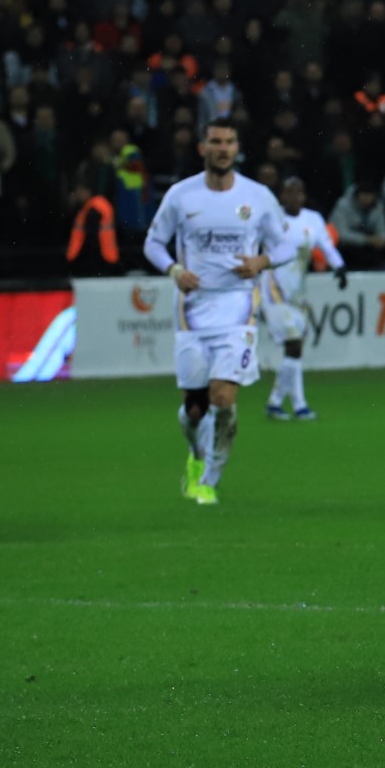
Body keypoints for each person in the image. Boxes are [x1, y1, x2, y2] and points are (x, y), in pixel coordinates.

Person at [142, 121, 292, 506]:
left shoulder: (257, 196)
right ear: (202, 147)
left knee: (222, 398)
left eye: (228, 142)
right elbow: (154, 243)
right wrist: (174, 271)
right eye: (215, 142)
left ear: (237, 148)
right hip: (192, 314)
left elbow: (286, 245)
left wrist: (261, 260)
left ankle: (210, 477)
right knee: (194, 410)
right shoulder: (181, 195)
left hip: (239, 310)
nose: (222, 148)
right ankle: (196, 454)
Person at [261, 176, 347, 421]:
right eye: (288, 191)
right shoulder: (271, 217)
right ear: (281, 196)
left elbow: (326, 246)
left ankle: (278, 403)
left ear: (304, 195)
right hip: (272, 287)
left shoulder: (313, 219)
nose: (294, 196)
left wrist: (339, 267)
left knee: (295, 349)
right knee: (294, 344)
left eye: (298, 192)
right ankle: (298, 405)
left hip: (298, 291)